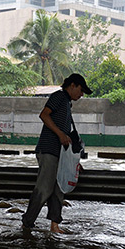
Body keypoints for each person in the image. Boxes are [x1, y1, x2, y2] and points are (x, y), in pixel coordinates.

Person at [22, 73, 91, 233]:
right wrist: (60, 134)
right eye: (81, 90)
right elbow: (44, 115)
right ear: (72, 85)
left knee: (58, 189)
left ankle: (55, 225)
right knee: (44, 188)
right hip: (48, 150)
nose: (81, 95)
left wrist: (73, 162)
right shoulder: (59, 96)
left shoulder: (66, 102)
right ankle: (27, 223)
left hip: (59, 153)